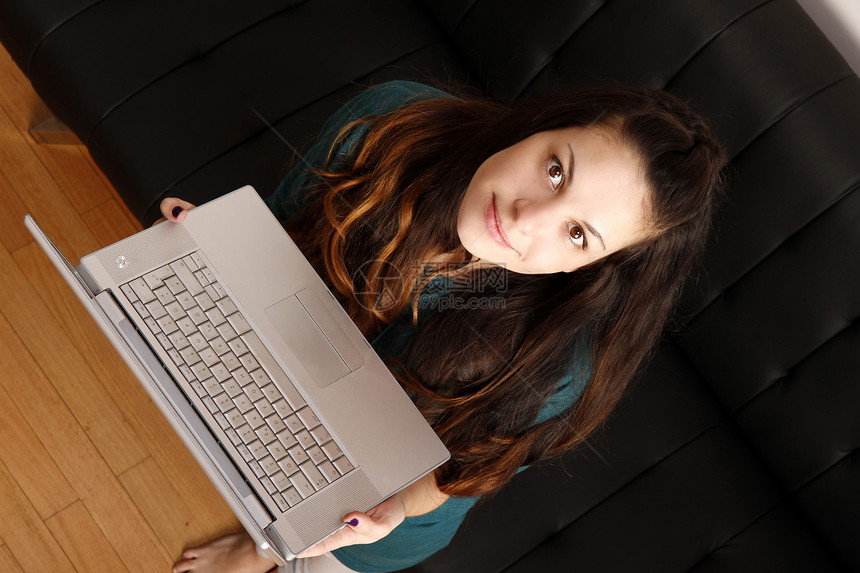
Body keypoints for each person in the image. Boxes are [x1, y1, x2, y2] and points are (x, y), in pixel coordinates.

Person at [168, 80, 725, 573]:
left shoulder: (557, 365)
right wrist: (210, 249)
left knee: (314, 549)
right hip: (294, 380)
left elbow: (449, 476)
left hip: (379, 515)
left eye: (577, 234)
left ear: (592, 266)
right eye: (555, 169)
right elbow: (286, 231)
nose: (525, 219)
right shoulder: (390, 124)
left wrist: (393, 508)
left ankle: (258, 551)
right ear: (538, 127)